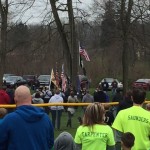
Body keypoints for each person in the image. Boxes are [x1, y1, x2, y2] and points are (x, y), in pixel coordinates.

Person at [0, 85, 54, 150]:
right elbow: (50, 143)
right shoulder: (46, 118)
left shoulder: (8, 120)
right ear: (31, 98)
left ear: (15, 99)